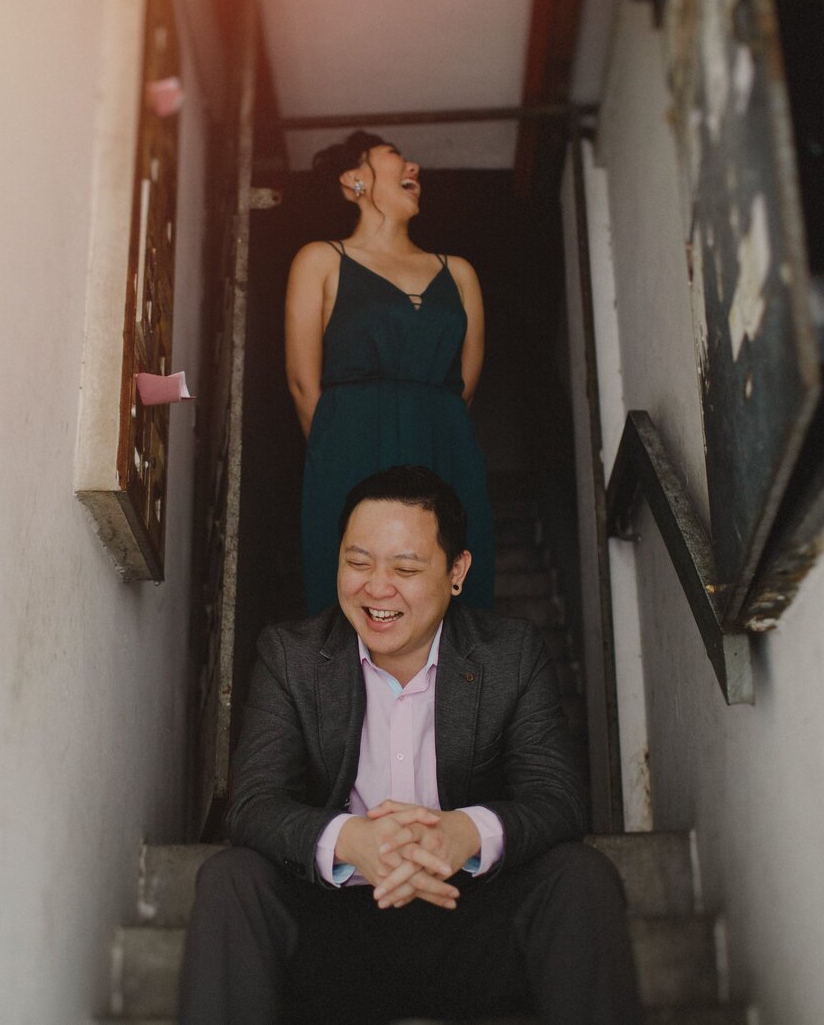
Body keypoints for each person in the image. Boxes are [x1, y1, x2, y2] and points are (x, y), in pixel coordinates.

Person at [177, 466, 639, 1025]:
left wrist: (462, 832)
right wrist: (352, 841)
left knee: (582, 876)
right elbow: (253, 804)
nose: (377, 588)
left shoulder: (509, 654)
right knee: (231, 879)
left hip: (471, 923)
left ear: (457, 571)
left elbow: (558, 799)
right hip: (337, 931)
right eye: (358, 562)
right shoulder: (291, 656)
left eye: (406, 567)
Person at [286, 132, 495, 615]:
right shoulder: (320, 259)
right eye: (396, 158)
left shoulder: (458, 271)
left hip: (444, 443)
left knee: (448, 585)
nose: (415, 168)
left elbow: (464, 384)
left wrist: (429, 429)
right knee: (357, 590)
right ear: (354, 179)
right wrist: (336, 460)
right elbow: (302, 384)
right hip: (349, 444)